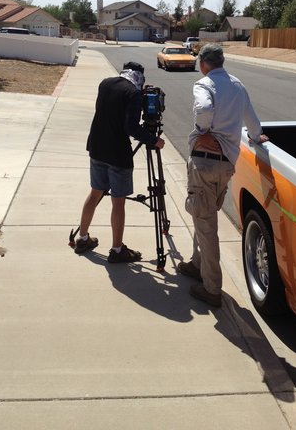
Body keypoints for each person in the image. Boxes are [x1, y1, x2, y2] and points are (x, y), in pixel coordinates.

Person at [178, 44, 268, 307]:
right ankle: (197, 264)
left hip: (205, 164)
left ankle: (212, 288)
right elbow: (253, 122)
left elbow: (204, 110)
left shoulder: (204, 84)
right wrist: (255, 137)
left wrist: (202, 130)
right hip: (226, 164)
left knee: (205, 224)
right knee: (203, 214)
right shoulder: (238, 85)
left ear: (204, 63)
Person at [73, 61, 165, 262]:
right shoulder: (133, 93)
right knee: (118, 201)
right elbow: (131, 128)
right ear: (140, 77)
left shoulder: (105, 83)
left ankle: (82, 238)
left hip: (97, 147)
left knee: (95, 193)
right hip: (117, 154)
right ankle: (117, 250)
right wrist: (154, 140)